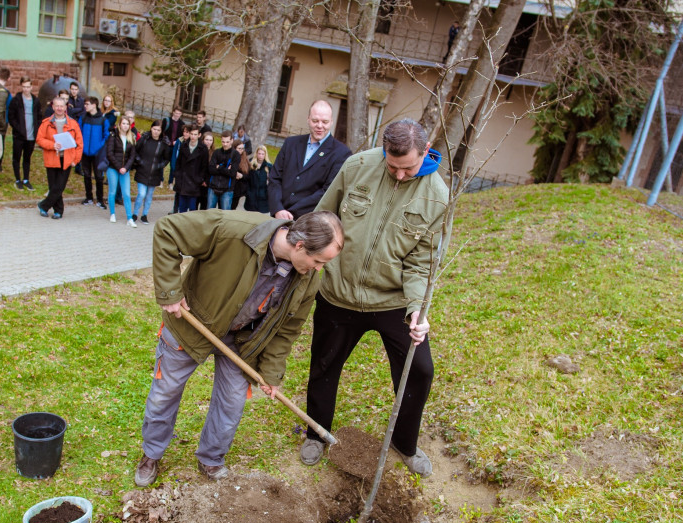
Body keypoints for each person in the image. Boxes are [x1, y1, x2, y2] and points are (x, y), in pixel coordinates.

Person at [134, 209, 345, 486]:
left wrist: (271, 372)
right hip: (191, 324)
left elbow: (287, 330)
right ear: (300, 245)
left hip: (242, 341)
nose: (318, 269)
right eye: (318, 261)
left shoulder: (307, 280)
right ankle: (151, 454)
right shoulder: (233, 230)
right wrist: (170, 291)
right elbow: (168, 230)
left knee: (231, 402)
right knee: (166, 393)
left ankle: (211, 458)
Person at [300, 118, 448, 477]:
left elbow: (421, 263)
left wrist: (416, 309)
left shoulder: (436, 196)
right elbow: (324, 216)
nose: (399, 175)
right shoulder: (357, 166)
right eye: (392, 166)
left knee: (419, 370)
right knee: (324, 365)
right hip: (338, 293)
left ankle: (404, 443)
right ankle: (317, 432)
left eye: (408, 168)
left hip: (392, 301)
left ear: (425, 152)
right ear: (383, 152)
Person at [267, 100, 351, 220]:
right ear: (308, 119)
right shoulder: (290, 143)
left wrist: (291, 213)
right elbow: (274, 178)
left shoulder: (341, 153)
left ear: (331, 122)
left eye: (325, 122)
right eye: (315, 121)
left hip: (309, 221)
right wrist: (278, 209)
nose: (319, 126)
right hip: (278, 216)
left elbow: (328, 191)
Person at [36, 96, 83, 219]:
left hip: (67, 159)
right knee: (53, 186)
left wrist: (76, 160)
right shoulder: (46, 123)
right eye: (57, 106)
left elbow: (79, 144)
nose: (59, 108)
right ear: (53, 107)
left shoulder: (73, 123)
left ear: (65, 107)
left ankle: (43, 205)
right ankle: (58, 211)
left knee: (59, 186)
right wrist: (52, 145)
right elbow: (39, 139)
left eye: (61, 106)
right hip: (51, 157)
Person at [99, 114, 137, 226]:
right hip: (113, 168)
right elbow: (110, 153)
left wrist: (126, 168)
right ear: (119, 124)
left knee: (126, 194)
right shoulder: (113, 136)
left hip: (125, 170)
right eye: (123, 123)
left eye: (127, 124)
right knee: (112, 191)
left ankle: (129, 218)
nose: (125, 126)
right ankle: (112, 214)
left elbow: (132, 156)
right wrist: (119, 167)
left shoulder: (131, 137)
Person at [133, 119, 172, 223]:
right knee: (141, 194)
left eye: (158, 130)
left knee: (149, 195)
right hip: (142, 171)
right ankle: (135, 213)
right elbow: (135, 151)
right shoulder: (144, 139)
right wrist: (140, 161)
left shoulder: (163, 143)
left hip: (155, 173)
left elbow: (167, 158)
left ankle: (144, 215)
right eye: (154, 129)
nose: (156, 132)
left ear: (161, 131)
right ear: (151, 128)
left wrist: (159, 166)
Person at [7, 76, 41, 191]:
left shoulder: (36, 101)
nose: (26, 89)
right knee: (16, 157)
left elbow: (39, 116)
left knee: (27, 158)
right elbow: (11, 116)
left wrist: (37, 129)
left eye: (28, 87)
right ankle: (18, 179)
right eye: (24, 87)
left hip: (31, 135)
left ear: (31, 87)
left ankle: (26, 179)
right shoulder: (16, 100)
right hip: (19, 135)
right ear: (21, 87)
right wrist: (18, 128)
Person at [78, 95, 110, 207]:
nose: (85, 106)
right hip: (85, 152)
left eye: (87, 104)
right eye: (85, 104)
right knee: (86, 175)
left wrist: (99, 147)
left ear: (94, 105)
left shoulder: (103, 120)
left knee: (99, 177)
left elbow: (106, 136)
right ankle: (89, 198)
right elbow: (79, 133)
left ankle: (100, 199)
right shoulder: (83, 118)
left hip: (98, 154)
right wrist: (82, 146)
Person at [207, 130, 239, 210]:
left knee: (224, 214)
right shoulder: (216, 152)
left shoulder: (235, 155)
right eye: (223, 142)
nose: (225, 144)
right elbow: (211, 169)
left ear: (232, 140)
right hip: (213, 187)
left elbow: (232, 173)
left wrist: (219, 167)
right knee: (209, 212)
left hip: (227, 189)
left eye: (227, 142)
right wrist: (225, 169)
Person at [167, 122, 190, 213]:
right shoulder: (179, 141)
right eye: (184, 132)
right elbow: (174, 155)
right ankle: (175, 208)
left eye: (187, 132)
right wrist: (174, 168)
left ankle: (183, 209)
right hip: (179, 170)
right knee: (178, 191)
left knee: (185, 192)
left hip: (187, 172)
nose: (185, 134)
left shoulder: (191, 143)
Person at [245, 145, 272, 213]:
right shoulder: (251, 164)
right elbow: (247, 179)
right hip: (251, 196)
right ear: (256, 153)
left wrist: (267, 193)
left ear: (265, 155)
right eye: (259, 153)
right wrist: (248, 192)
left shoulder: (269, 166)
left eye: (262, 154)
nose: (260, 156)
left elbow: (271, 182)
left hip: (263, 197)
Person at [231, 140, 250, 210]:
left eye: (242, 148)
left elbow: (248, 176)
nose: (241, 150)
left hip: (238, 189)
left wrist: (242, 176)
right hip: (228, 186)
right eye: (239, 148)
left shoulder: (245, 159)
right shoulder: (230, 156)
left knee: (233, 208)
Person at [199, 130, 214, 210]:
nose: (208, 142)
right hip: (198, 181)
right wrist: (201, 180)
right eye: (207, 140)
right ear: (203, 140)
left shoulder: (214, 153)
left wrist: (206, 181)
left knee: (204, 205)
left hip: (208, 183)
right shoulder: (198, 151)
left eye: (210, 140)